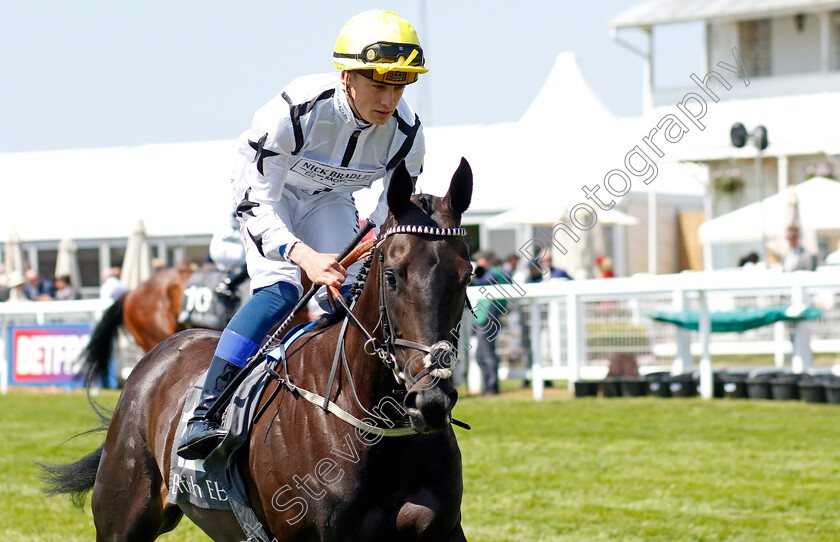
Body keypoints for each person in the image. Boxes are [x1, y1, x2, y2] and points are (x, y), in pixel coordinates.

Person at [178, 9, 428, 459]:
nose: (389, 99)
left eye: (399, 86)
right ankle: (206, 410)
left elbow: (388, 211)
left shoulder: (408, 133)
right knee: (280, 291)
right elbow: (254, 203)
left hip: (330, 202)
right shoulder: (294, 110)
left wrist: (359, 253)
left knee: (351, 293)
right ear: (346, 76)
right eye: (378, 84)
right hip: (272, 198)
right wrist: (303, 255)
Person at [471, 251, 510, 396]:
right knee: (482, 354)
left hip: (489, 316)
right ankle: (489, 385)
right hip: (487, 316)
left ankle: (491, 387)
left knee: (485, 353)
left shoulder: (495, 272)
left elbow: (480, 281)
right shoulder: (496, 271)